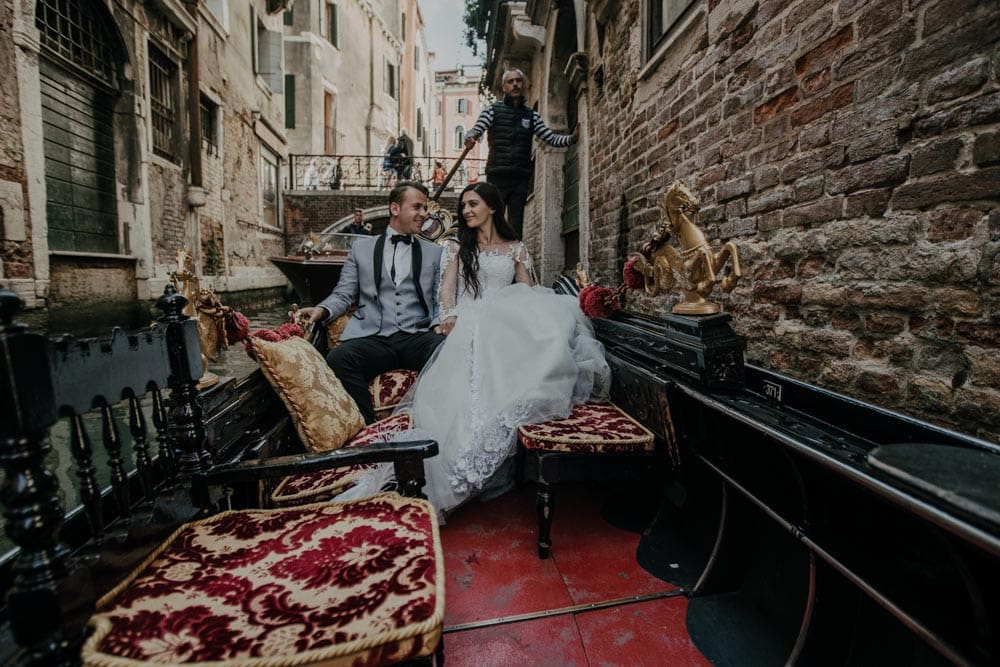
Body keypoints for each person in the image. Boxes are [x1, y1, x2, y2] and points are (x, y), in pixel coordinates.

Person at [381, 182, 610, 519]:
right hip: (470, 322)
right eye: (463, 206)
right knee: (464, 393)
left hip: (504, 321)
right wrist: (449, 317)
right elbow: (446, 292)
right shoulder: (459, 248)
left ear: (492, 207)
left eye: (473, 204)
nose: (466, 211)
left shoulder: (516, 249)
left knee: (540, 343)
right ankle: (445, 467)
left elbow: (528, 292)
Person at [297, 182, 444, 424]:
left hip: (416, 335)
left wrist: (440, 323)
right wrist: (322, 309)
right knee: (338, 359)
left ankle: (430, 422)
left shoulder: (435, 253)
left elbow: (440, 299)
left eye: (425, 208)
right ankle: (368, 427)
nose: (424, 214)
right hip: (374, 337)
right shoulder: (361, 249)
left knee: (446, 350)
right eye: (417, 207)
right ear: (395, 208)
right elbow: (343, 294)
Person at [464, 68, 579, 238]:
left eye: (518, 80)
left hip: (520, 177)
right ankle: (491, 257)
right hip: (498, 175)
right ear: (504, 87)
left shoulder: (532, 116)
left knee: (516, 223)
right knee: (494, 220)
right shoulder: (492, 111)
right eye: (510, 82)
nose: (515, 84)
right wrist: (470, 136)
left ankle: (513, 259)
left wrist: (571, 138)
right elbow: (477, 129)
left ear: (522, 84)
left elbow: (550, 138)